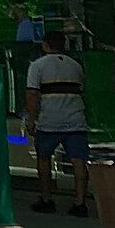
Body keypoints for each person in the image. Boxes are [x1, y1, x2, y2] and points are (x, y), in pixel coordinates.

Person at [25, 33, 91, 216]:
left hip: (49, 121)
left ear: (45, 45)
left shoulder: (37, 66)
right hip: (75, 120)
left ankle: (46, 199)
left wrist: (31, 118)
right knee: (78, 161)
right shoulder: (75, 65)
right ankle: (80, 202)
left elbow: (32, 94)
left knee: (44, 158)